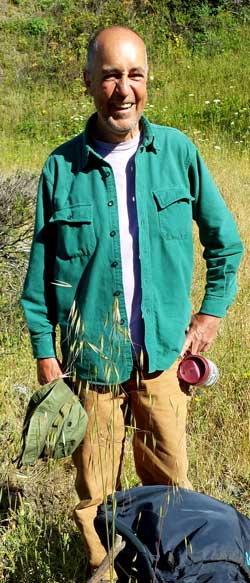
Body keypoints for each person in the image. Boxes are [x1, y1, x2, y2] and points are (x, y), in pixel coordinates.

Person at [21, 25, 243, 580]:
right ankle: (104, 571)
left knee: (171, 491)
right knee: (93, 495)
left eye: (135, 75)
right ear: (89, 81)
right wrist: (48, 358)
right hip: (90, 368)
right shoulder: (60, 169)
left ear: (148, 81)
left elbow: (226, 243)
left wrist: (211, 312)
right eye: (112, 75)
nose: (124, 89)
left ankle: (166, 571)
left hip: (163, 360)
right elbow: (39, 277)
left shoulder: (179, 153)